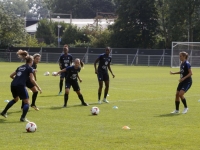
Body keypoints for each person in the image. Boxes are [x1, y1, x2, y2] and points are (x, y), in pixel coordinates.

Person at [1, 50, 42, 122]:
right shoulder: (30, 68)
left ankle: (4, 112)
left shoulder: (20, 67)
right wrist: (39, 88)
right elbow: (32, 80)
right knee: (27, 102)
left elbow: (11, 76)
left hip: (13, 84)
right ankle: (23, 118)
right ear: (31, 61)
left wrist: (17, 80)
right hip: (20, 85)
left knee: (15, 99)